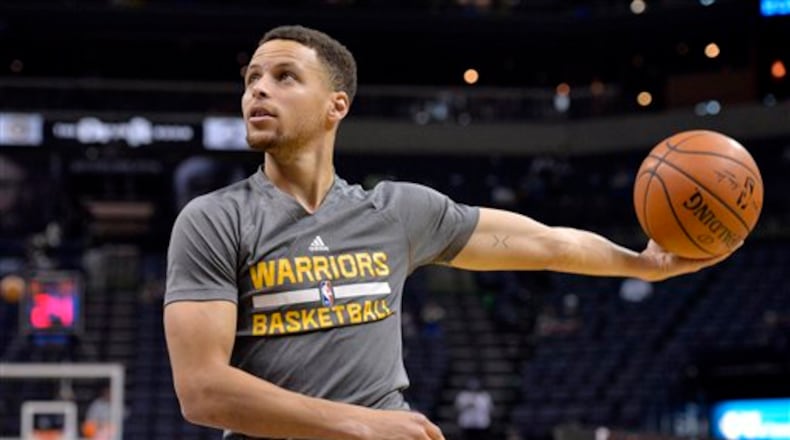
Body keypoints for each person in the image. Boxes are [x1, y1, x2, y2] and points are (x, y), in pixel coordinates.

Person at [163, 25, 735, 440]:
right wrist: (360, 424)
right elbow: (202, 390)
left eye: (284, 76)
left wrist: (643, 264)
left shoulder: (396, 212)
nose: (257, 90)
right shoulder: (215, 219)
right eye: (253, 78)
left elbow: (549, 243)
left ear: (337, 105)